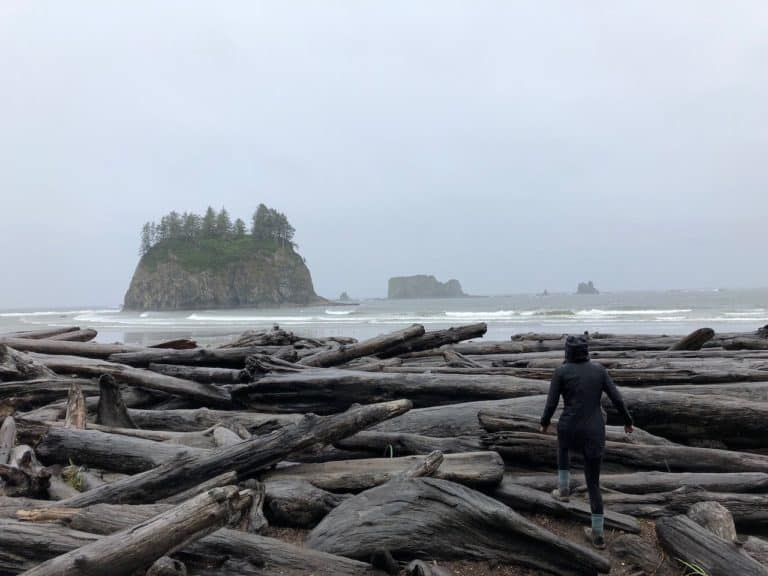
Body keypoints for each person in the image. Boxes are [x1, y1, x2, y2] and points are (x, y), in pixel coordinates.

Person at [539, 334, 633, 549]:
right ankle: (598, 535)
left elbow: (552, 403)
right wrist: (628, 421)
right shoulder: (599, 370)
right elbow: (617, 398)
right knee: (593, 484)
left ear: (567, 352)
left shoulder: (561, 372)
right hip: (594, 431)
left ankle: (563, 490)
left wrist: (544, 423)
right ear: (586, 351)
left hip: (569, 427)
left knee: (563, 446)